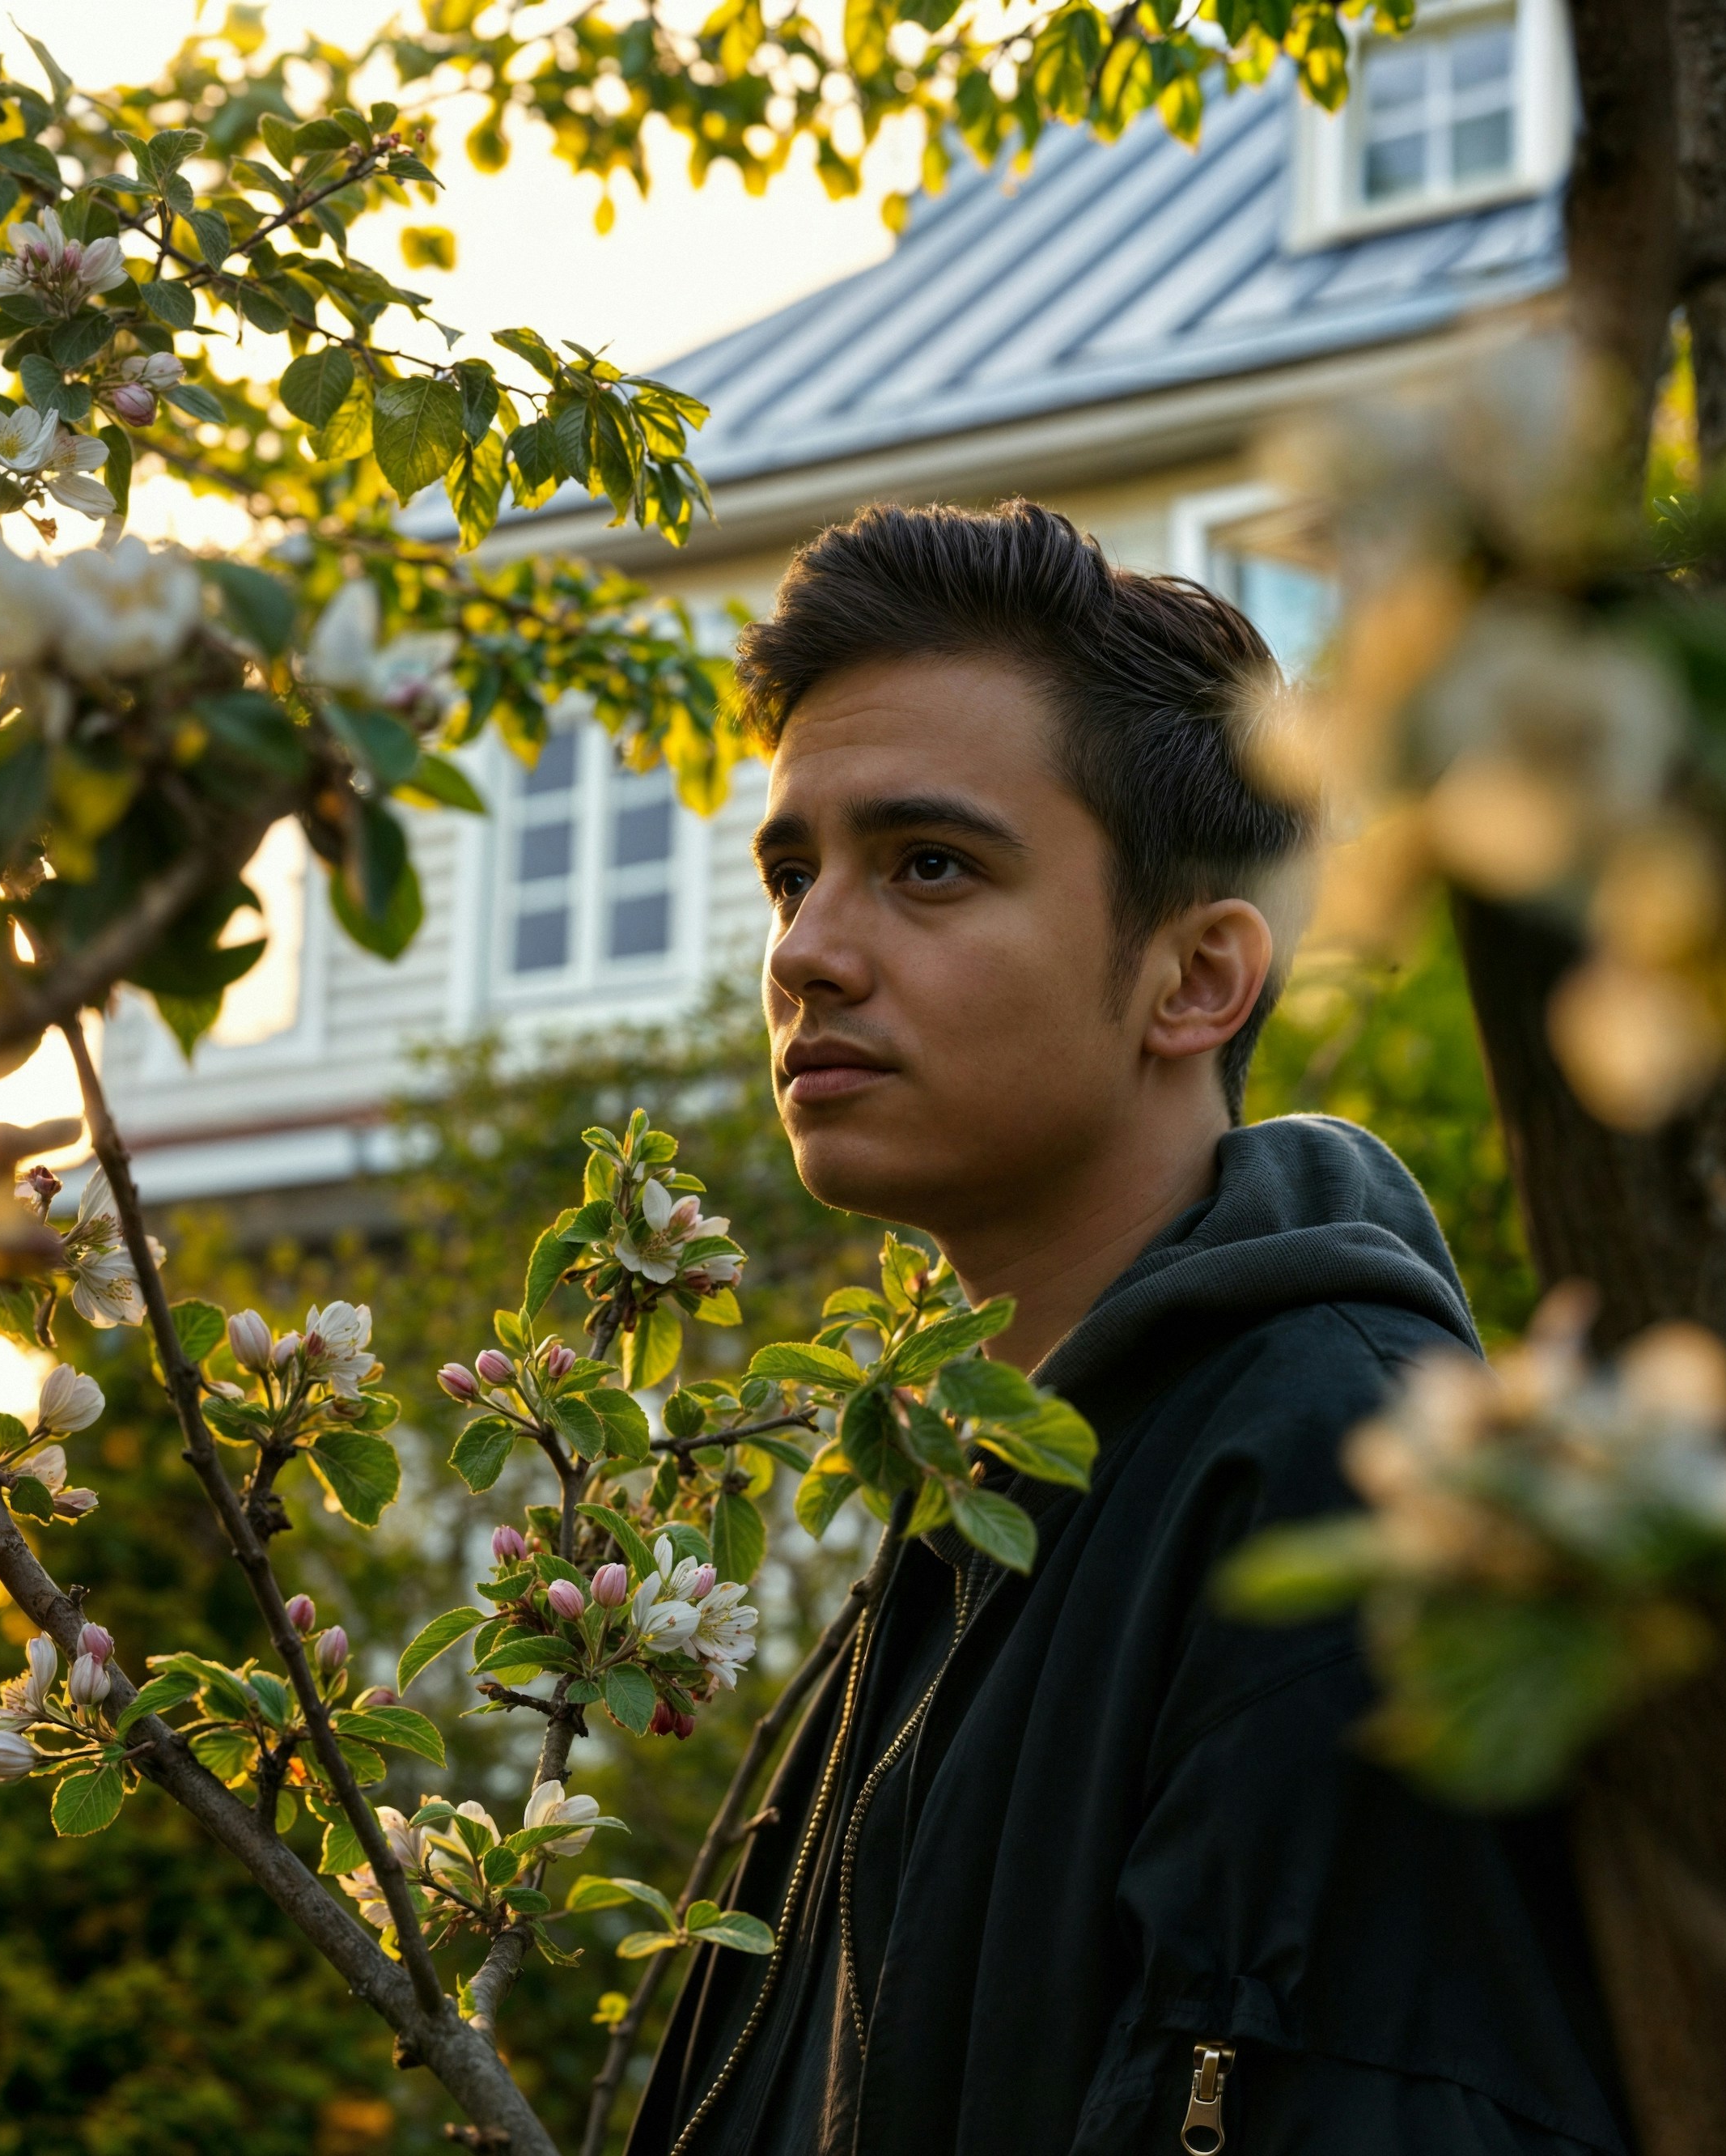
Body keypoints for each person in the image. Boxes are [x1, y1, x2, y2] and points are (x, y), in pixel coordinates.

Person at [628, 501, 1627, 2156]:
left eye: (928, 866)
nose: (806, 953)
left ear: (1196, 979)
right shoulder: (988, 1508)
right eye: (792, 876)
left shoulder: (1336, 1476)